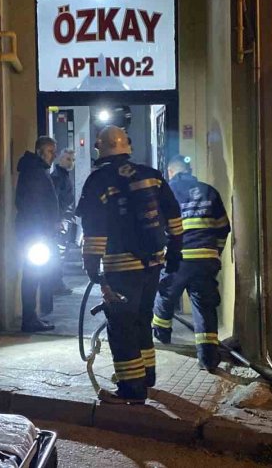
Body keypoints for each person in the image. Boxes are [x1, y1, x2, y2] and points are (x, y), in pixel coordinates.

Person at [76, 126, 183, 405]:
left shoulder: (98, 180)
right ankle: (146, 376)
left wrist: (91, 264)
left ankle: (131, 389)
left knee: (121, 324)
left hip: (120, 265)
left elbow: (94, 227)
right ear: (127, 148)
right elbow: (173, 213)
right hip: (153, 263)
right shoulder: (151, 175)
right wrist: (175, 251)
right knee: (141, 319)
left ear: (101, 149)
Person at [152, 155, 231, 371]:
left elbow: (158, 225)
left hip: (180, 257)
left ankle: (161, 336)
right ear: (189, 170)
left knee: (166, 294)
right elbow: (223, 227)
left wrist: (159, 252)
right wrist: (216, 251)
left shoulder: (166, 191)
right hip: (206, 258)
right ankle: (207, 359)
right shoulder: (209, 191)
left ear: (170, 172)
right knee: (204, 306)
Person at [15, 136, 60, 332]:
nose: (54, 156)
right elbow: (33, 205)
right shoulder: (34, 173)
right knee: (33, 276)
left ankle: (31, 317)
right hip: (35, 234)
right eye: (51, 151)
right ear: (41, 152)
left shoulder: (35, 171)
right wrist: (44, 229)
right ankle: (30, 319)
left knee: (34, 275)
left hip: (36, 232)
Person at [50, 149, 76, 297]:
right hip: (61, 221)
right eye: (68, 159)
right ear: (60, 159)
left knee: (60, 253)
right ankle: (56, 284)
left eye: (72, 159)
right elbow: (58, 200)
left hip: (63, 219)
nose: (71, 162)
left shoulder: (62, 176)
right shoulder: (58, 177)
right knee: (59, 253)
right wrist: (60, 219)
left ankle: (56, 283)